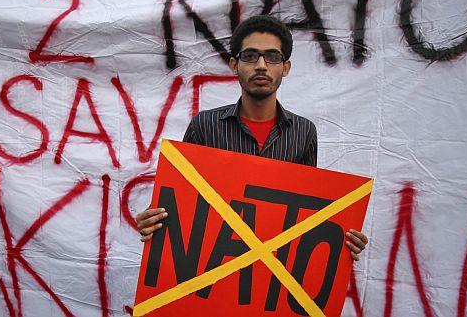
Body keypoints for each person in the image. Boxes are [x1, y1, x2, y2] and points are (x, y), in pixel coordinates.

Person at [136, 15, 368, 261]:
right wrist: (156, 223)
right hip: (212, 266)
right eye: (250, 56)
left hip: (270, 272)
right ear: (235, 65)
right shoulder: (205, 125)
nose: (261, 65)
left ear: (285, 67)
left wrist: (342, 239)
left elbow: (305, 214)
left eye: (272, 56)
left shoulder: (303, 132)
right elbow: (184, 205)